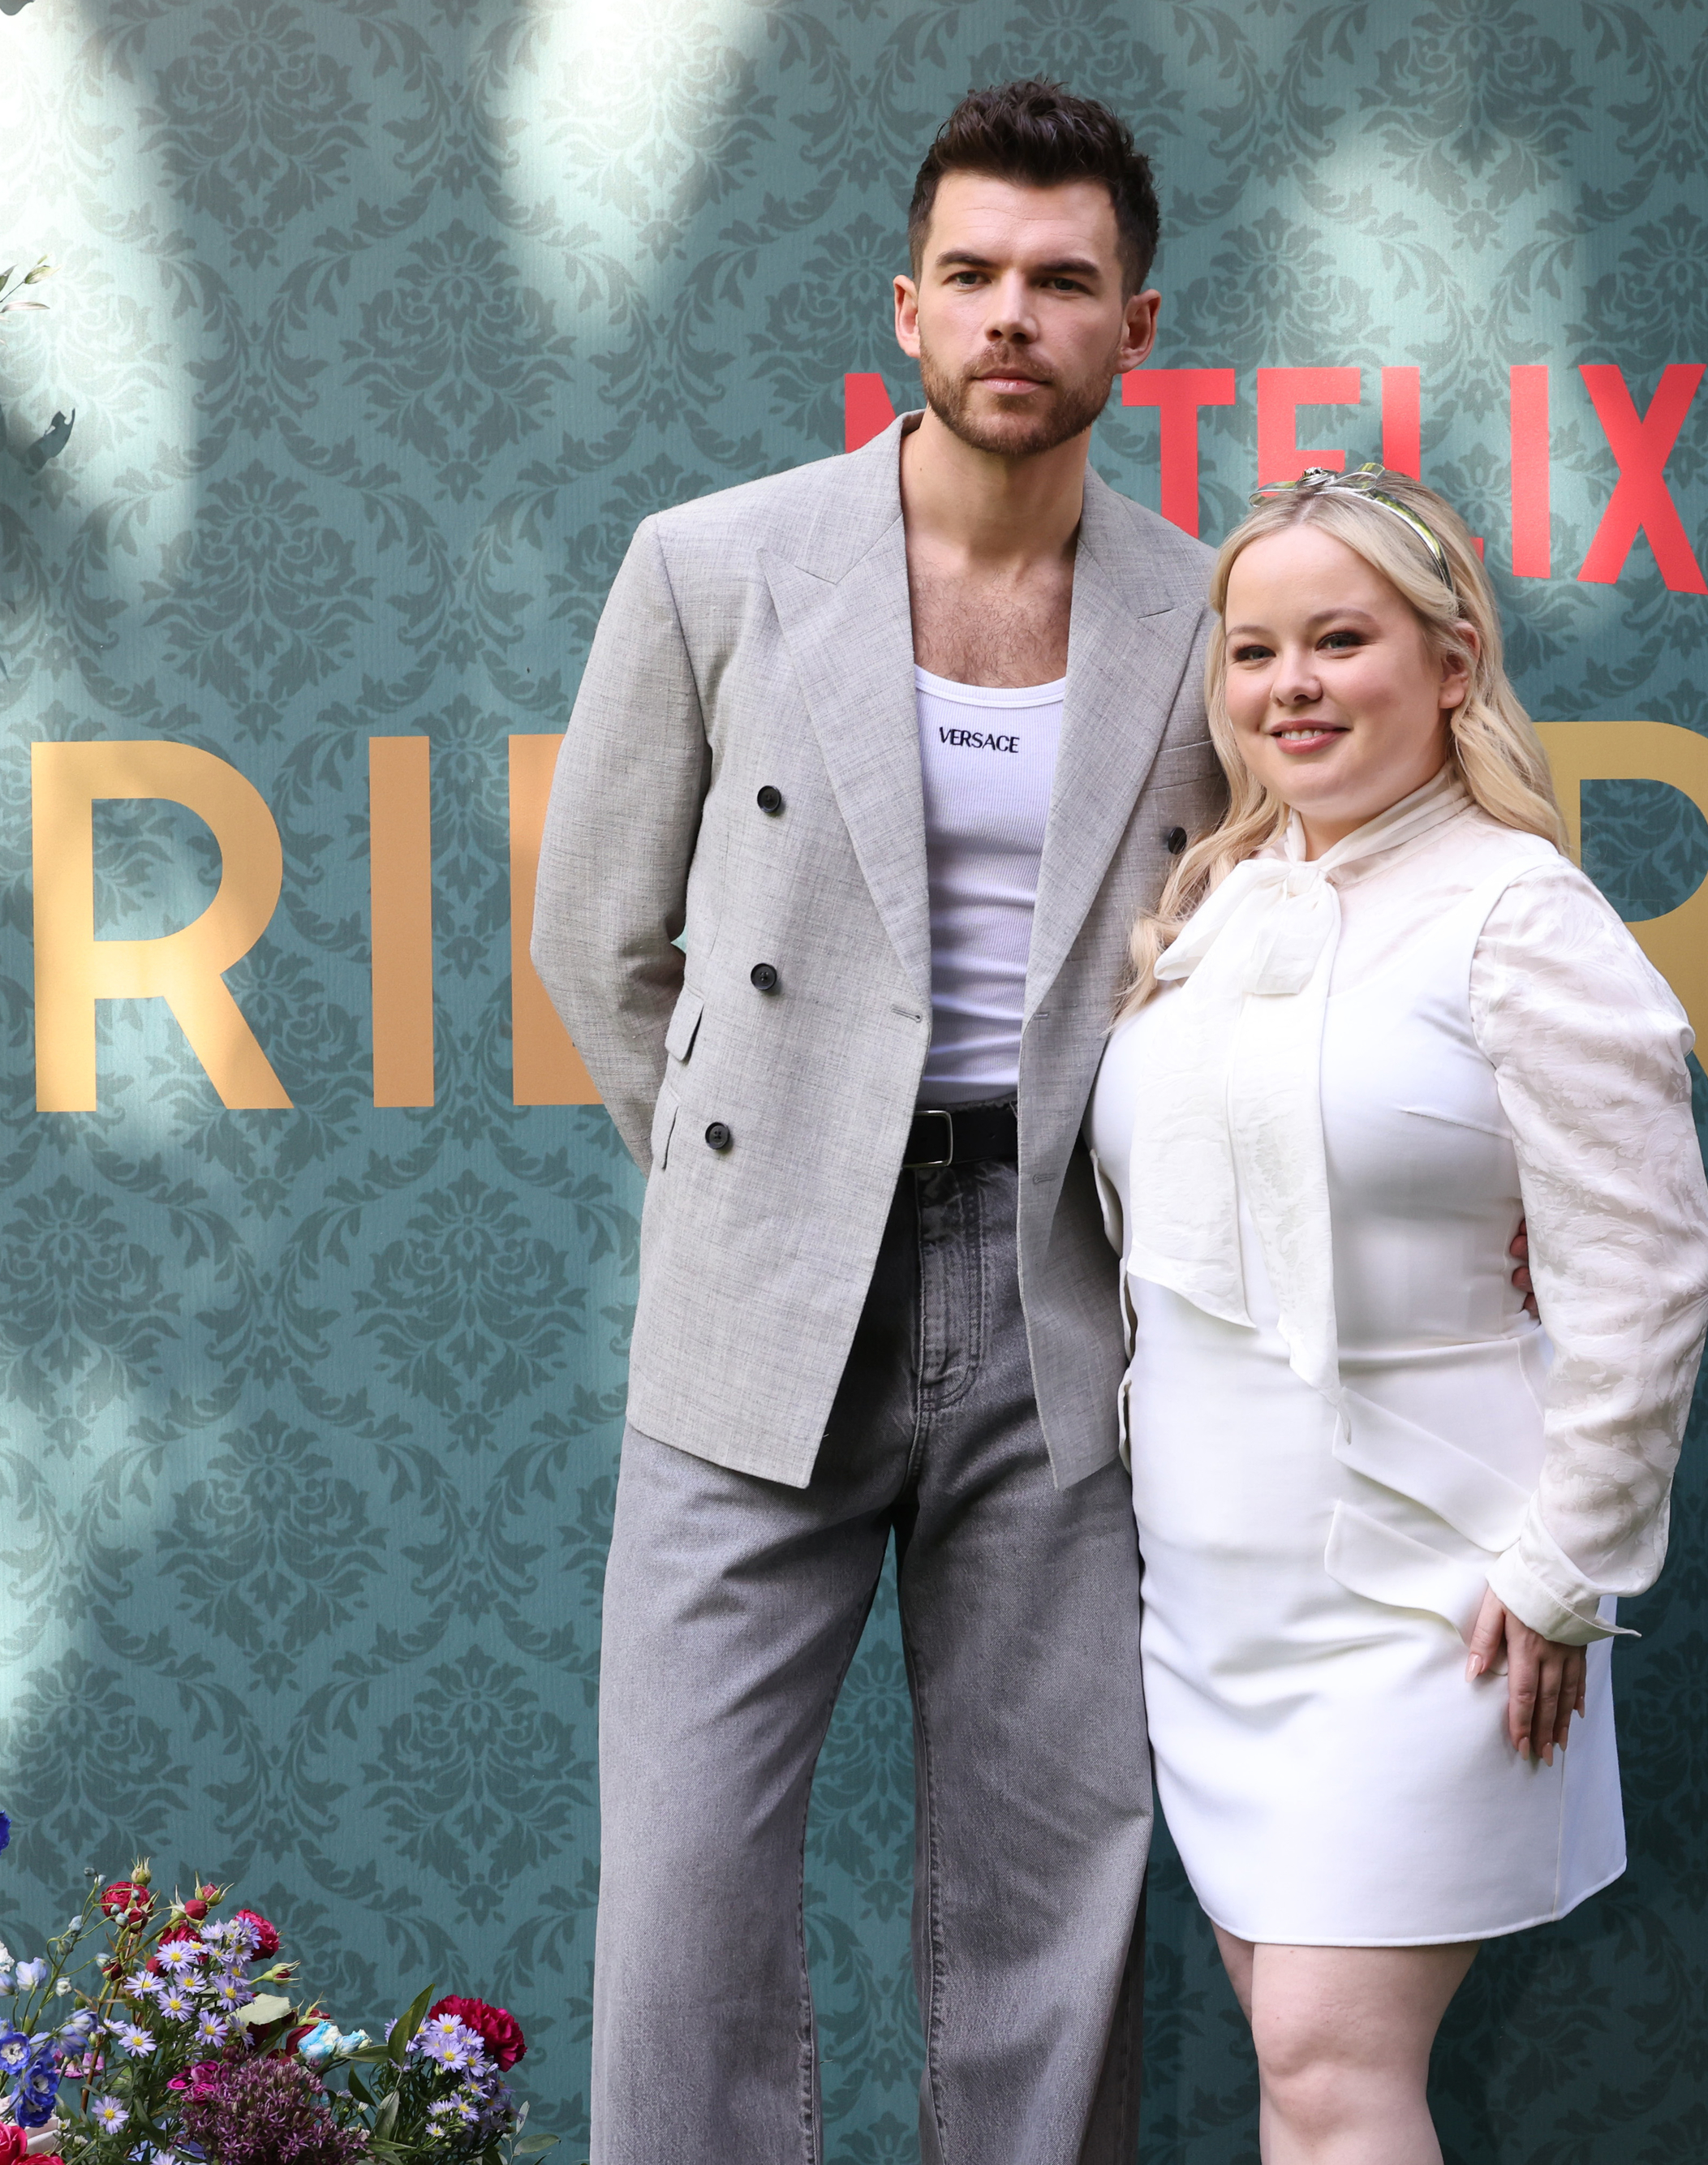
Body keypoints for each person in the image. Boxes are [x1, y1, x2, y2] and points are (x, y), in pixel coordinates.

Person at [531, 82, 1222, 2165]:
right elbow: (596, 942)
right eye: (978, 275)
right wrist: (767, 1170)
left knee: (1054, 1885)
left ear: (1136, 324)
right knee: (685, 1888)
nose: (1016, 314)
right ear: (904, 306)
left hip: (1068, 1288)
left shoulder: (1204, 610)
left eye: (1064, 281)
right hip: (764, 1283)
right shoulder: (712, 565)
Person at [1088, 467, 1708, 2163]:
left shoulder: (1521, 912)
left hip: (1436, 1586)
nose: (1289, 682)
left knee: (1320, 2058)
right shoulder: (1206, 909)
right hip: (1212, 1594)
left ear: (1447, 663)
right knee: (1304, 2070)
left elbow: (1643, 1265)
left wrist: (1562, 1557)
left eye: (1339, 638)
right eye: (1252, 649)